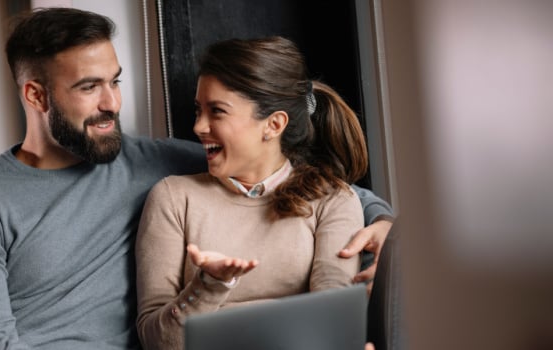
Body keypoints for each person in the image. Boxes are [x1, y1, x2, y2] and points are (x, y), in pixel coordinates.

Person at [0, 8, 393, 350]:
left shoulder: (157, 163)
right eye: (90, 88)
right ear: (35, 94)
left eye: (116, 81)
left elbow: (291, 178)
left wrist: (383, 219)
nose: (112, 103)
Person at [135, 36, 382, 350]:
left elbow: (332, 318)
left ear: (274, 124)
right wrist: (209, 285)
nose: (198, 127)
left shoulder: (332, 201)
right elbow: (157, 341)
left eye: (217, 112)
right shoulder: (172, 198)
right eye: (199, 110)